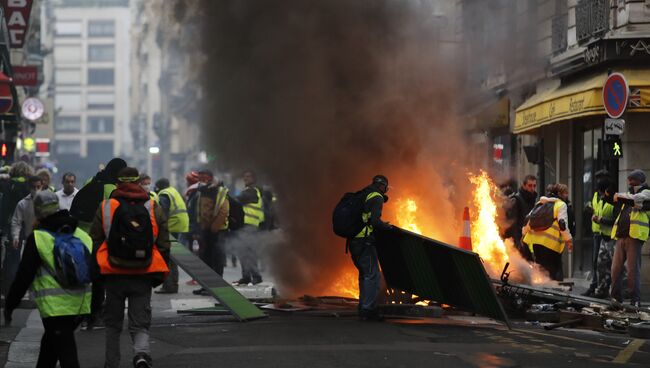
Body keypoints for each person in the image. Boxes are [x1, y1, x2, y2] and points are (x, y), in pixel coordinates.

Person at [89, 167, 170, 368]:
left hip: (114, 273)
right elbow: (164, 243)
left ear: (118, 183)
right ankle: (141, 355)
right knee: (140, 322)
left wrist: (100, 269)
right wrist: (158, 272)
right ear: (139, 182)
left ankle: (112, 363)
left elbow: (95, 240)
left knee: (113, 324)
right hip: (143, 272)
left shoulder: (106, 206)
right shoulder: (153, 206)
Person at [4, 191, 92, 368]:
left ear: (38, 212)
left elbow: (24, 276)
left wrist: (10, 305)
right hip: (81, 305)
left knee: (67, 353)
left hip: (55, 308)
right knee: (50, 347)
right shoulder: (82, 235)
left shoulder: (38, 238)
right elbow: (95, 272)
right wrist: (95, 307)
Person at [70, 158, 126, 330]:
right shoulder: (112, 190)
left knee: (86, 277)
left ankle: (84, 313)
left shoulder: (92, 181)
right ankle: (97, 314)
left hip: (80, 235)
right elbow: (110, 218)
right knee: (101, 278)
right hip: (99, 238)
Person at [348, 175, 392, 321]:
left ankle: (363, 307)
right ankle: (368, 310)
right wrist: (387, 227)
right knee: (373, 275)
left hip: (354, 241)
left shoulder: (364, 194)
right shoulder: (377, 197)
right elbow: (374, 221)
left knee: (364, 274)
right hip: (364, 241)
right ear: (382, 186)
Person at [610, 170, 650, 307]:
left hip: (635, 236)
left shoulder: (646, 192)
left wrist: (619, 196)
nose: (629, 181)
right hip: (621, 235)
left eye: (632, 179)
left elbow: (635, 200)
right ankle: (616, 298)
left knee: (633, 270)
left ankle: (635, 300)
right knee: (615, 269)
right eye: (629, 179)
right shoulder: (629, 194)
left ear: (640, 180)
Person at [522, 183, 573, 281]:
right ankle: (550, 294)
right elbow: (562, 224)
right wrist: (569, 240)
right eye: (565, 193)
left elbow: (528, 219)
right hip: (551, 245)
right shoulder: (561, 205)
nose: (567, 195)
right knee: (551, 274)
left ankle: (541, 293)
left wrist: (523, 233)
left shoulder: (540, 203)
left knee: (541, 273)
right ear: (559, 193)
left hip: (536, 245)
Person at [1, 162, 33, 295]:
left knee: (12, 258)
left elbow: (4, 207)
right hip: (28, 226)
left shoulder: (8, 186)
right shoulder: (29, 186)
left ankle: (9, 288)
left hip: (12, 227)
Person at [154, 178, 189, 294]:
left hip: (172, 226)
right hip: (180, 225)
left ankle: (169, 285)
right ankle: (173, 284)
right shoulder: (173, 191)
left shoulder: (164, 194)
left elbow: (162, 212)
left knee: (167, 256)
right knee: (172, 257)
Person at [582, 169, 611, 297]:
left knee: (605, 263)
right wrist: (589, 208)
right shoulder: (596, 194)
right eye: (597, 178)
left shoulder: (610, 195)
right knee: (596, 262)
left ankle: (602, 288)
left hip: (607, 234)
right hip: (597, 232)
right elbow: (595, 207)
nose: (598, 181)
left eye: (601, 178)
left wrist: (599, 218)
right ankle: (595, 286)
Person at [234, 170, 265, 285]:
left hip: (248, 226)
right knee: (243, 252)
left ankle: (256, 276)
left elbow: (236, 200)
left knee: (248, 253)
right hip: (247, 226)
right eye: (244, 176)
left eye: (248, 176)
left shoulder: (251, 191)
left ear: (254, 179)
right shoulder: (251, 191)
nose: (245, 178)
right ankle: (246, 277)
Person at [593, 183, 619, 299]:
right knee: (601, 265)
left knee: (615, 267)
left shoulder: (615, 204)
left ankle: (616, 293)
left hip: (613, 239)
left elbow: (615, 221)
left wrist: (600, 220)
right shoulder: (602, 201)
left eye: (604, 193)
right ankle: (602, 290)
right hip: (604, 238)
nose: (602, 196)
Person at [505, 175, 537, 260]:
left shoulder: (532, 200)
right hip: (519, 241)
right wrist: (516, 243)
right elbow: (512, 224)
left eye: (534, 186)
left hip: (528, 242)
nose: (532, 188)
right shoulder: (516, 200)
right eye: (530, 185)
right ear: (523, 185)